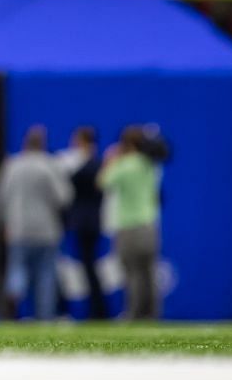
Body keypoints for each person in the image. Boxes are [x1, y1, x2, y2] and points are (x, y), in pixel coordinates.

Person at [0, 125, 71, 322]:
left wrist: (3, 223)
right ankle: (44, 318)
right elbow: (64, 197)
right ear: (43, 144)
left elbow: (1, 198)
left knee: (17, 270)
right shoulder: (50, 165)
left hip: (18, 227)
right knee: (46, 275)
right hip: (47, 229)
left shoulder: (13, 165)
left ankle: (11, 308)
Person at [99, 126, 163, 320]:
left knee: (133, 273)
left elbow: (102, 182)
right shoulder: (150, 164)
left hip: (129, 226)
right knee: (149, 273)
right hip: (150, 225)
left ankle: (134, 314)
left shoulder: (125, 165)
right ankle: (152, 314)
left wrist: (111, 160)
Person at [63, 125, 109, 319]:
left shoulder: (93, 164)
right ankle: (96, 309)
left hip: (88, 222)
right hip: (86, 221)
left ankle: (98, 311)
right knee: (88, 266)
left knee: (90, 266)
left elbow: (78, 182)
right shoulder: (90, 163)